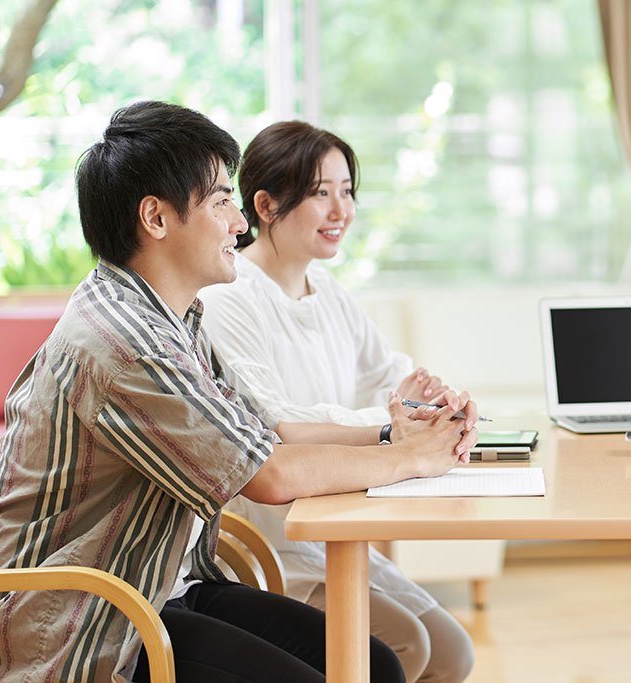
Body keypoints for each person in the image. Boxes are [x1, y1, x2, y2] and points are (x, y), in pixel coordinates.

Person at [0, 101, 479, 683]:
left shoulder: (176, 318)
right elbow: (271, 474)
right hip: (89, 625)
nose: (239, 222)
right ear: (156, 219)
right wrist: (411, 458)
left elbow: (270, 431)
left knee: (376, 664)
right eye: (221, 202)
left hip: (161, 587)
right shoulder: (125, 342)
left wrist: (393, 433)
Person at [198, 121, 473, 683]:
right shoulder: (229, 298)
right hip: (272, 538)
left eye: (346, 191)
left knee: (451, 654)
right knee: (406, 650)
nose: (340, 209)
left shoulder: (330, 294)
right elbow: (277, 422)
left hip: (337, 521)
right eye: (321, 192)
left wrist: (433, 406)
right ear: (266, 204)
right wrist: (395, 428)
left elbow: (388, 378)